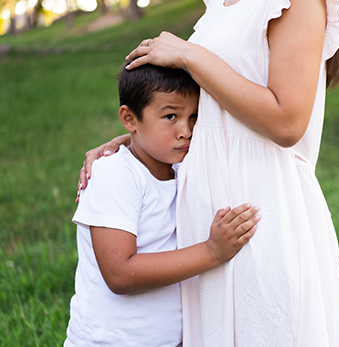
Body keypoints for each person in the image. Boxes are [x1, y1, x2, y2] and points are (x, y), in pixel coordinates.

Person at [78, 0, 339, 345]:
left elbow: (288, 122)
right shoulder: (222, 5)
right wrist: (133, 140)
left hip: (256, 211)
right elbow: (213, 106)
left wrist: (188, 55)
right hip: (209, 234)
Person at [65, 61, 261, 347]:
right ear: (129, 118)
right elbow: (119, 273)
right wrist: (212, 251)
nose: (186, 130)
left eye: (194, 116)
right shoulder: (114, 173)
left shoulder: (183, 170)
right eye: (170, 116)